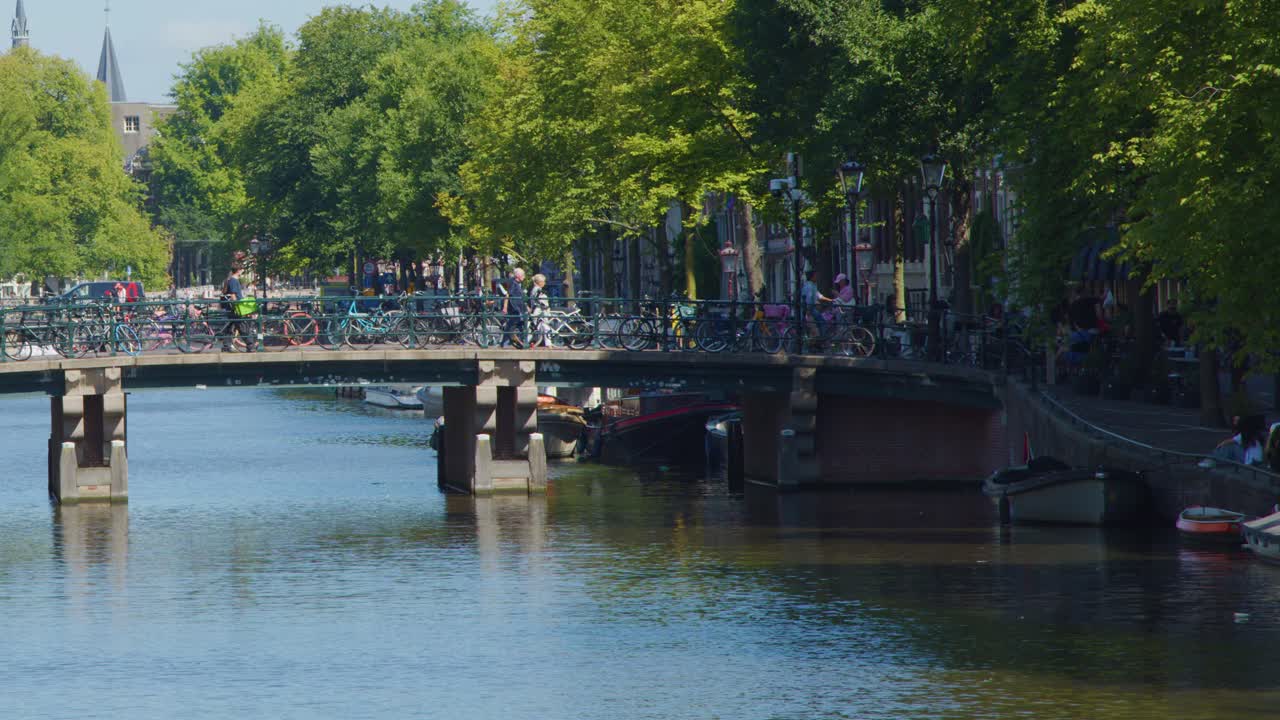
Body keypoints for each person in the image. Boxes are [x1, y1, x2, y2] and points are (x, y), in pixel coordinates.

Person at [220, 265, 255, 352]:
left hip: (231, 307)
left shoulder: (230, 280)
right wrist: (237, 305)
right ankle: (250, 346)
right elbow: (233, 295)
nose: (243, 271)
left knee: (229, 327)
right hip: (236, 308)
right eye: (242, 270)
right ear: (239, 270)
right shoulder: (234, 281)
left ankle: (226, 346)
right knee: (242, 326)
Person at [800, 270, 832, 340]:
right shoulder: (809, 286)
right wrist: (808, 310)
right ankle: (822, 339)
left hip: (811, 308)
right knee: (821, 322)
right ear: (812, 277)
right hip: (809, 308)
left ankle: (820, 339)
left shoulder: (813, 285)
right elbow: (809, 298)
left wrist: (830, 300)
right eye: (816, 275)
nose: (817, 277)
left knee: (819, 322)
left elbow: (818, 295)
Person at [501, 267, 527, 348]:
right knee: (513, 324)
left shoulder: (517, 283)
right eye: (523, 275)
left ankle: (506, 342)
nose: (524, 277)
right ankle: (508, 342)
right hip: (514, 307)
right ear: (518, 276)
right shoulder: (513, 283)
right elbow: (508, 294)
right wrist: (505, 307)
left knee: (512, 324)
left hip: (518, 307)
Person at [528, 274, 552, 347]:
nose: (544, 283)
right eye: (543, 281)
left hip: (537, 311)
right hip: (539, 311)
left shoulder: (534, 289)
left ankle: (545, 343)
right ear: (539, 282)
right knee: (541, 327)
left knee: (538, 328)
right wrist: (546, 306)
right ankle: (547, 344)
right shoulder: (538, 290)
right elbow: (541, 300)